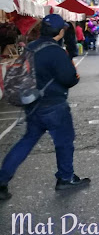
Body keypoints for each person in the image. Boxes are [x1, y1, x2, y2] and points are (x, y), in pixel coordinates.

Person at [0, 14, 90, 201]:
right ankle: (65, 178)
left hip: (33, 104)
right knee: (64, 142)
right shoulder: (56, 51)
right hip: (54, 105)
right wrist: (74, 75)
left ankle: (2, 180)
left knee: (26, 142)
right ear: (59, 31)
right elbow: (69, 79)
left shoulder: (31, 48)